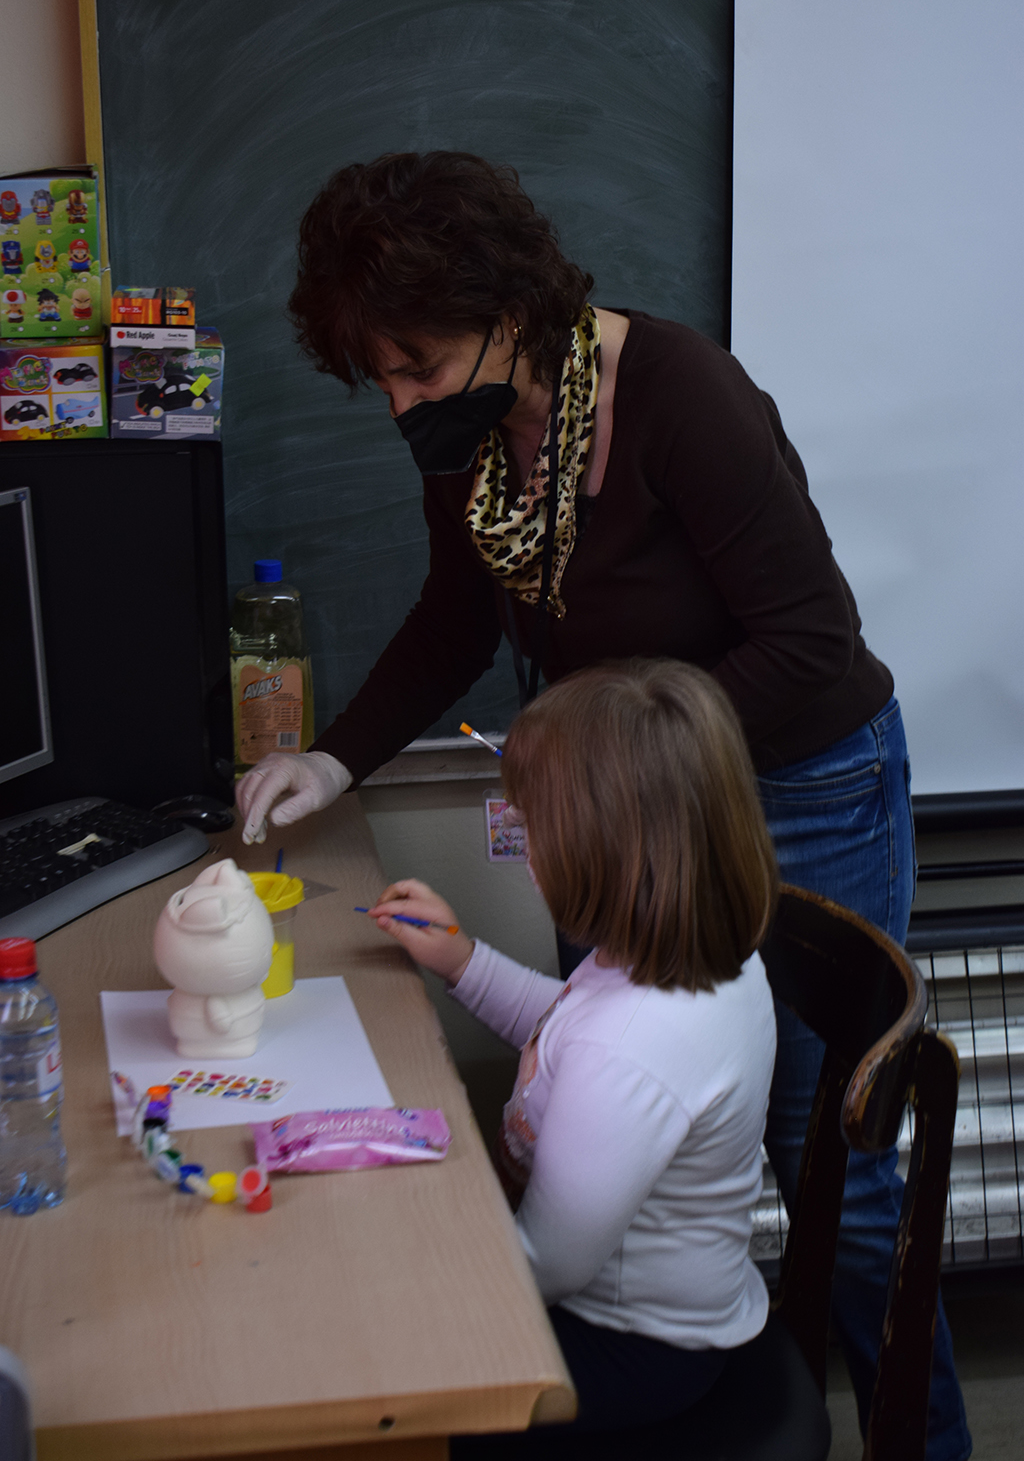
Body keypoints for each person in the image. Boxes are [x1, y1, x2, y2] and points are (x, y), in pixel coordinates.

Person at [235, 151, 970, 1459]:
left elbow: (809, 641)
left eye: (419, 365)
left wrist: (617, 773)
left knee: (838, 1177)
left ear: (510, 311)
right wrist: (333, 762)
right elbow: (455, 615)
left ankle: (929, 1445)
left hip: (795, 776)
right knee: (599, 1064)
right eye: (380, 378)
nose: (402, 402)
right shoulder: (468, 434)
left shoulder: (681, 395)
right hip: (629, 792)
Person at [368, 660, 779, 1452]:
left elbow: (542, 1266)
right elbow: (565, 1026)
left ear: (604, 851)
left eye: (532, 828)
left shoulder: (630, 1047)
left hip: (630, 1346)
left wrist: (399, 1267)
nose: (522, 845)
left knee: (393, 1397)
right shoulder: (687, 959)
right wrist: (461, 960)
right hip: (640, 1304)